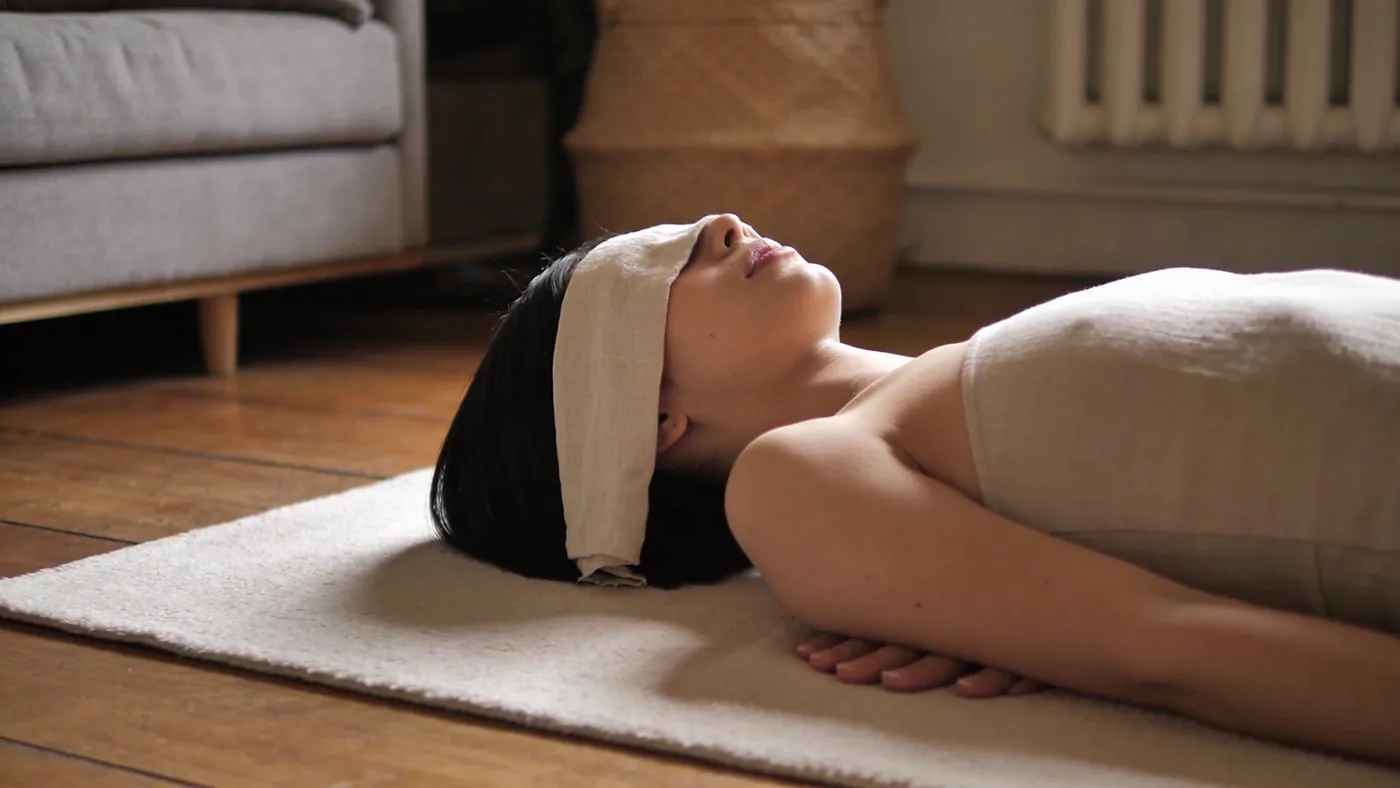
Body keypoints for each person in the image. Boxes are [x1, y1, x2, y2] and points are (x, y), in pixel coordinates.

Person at [431, 213, 1400, 766]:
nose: (720, 222)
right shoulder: (794, 475)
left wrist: (988, 607)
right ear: (646, 426)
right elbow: (1164, 643)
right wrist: (1008, 615)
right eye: (659, 272)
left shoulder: (947, 376)